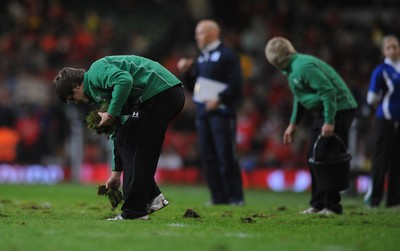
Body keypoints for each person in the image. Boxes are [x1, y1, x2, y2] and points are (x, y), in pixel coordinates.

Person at [53, 55, 185, 220]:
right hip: (163, 94)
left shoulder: (96, 71)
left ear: (75, 87)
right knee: (130, 141)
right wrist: (116, 173)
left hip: (160, 93)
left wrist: (111, 114)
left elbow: (124, 80)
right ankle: (152, 197)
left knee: (133, 146)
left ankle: (134, 212)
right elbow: (118, 131)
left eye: (72, 98)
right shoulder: (104, 92)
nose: (77, 102)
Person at [265, 37, 358, 215]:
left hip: (339, 109)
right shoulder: (292, 69)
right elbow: (299, 97)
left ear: (275, 60)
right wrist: (293, 124)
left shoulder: (303, 67)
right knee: (313, 155)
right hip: (325, 110)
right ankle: (318, 203)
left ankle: (332, 206)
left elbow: (328, 91)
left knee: (325, 155)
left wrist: (330, 121)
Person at [177, 19, 245, 205]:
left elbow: (237, 84)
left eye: (200, 32)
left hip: (222, 112)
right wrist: (187, 72)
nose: (196, 36)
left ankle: (235, 197)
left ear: (213, 33)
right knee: (208, 156)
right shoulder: (201, 58)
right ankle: (218, 196)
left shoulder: (227, 55)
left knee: (226, 155)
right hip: (204, 113)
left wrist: (220, 98)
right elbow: (193, 87)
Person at [364, 35, 400, 208]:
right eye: (389, 47)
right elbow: (371, 98)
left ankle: (394, 200)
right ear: (384, 51)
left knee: (397, 160)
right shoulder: (381, 70)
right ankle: (374, 199)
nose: (392, 50)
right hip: (385, 119)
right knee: (380, 159)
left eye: (395, 46)